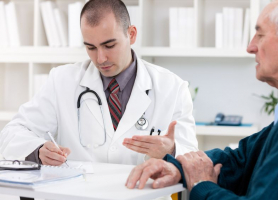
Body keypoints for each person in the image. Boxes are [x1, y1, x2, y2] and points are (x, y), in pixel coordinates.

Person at [126, 0, 278, 199]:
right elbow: (240, 159)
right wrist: (179, 168)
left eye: (260, 35)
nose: (251, 47)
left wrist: (201, 185)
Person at [0, 0, 198, 169]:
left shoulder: (173, 88)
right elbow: (11, 133)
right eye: (91, 47)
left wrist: (170, 151)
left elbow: (194, 159)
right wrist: (39, 150)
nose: (100, 58)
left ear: (131, 34)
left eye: (109, 45)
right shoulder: (61, 81)